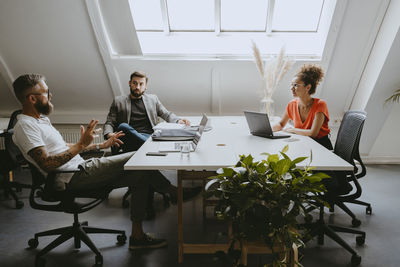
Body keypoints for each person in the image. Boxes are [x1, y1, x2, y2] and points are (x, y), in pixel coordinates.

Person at [11, 74, 201, 250]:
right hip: (70, 178)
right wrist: (81, 145)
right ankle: (174, 192)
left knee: (140, 173)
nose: (50, 95)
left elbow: (63, 147)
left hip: (78, 170)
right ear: (32, 98)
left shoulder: (41, 120)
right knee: (138, 157)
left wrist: (101, 145)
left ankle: (138, 237)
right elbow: (47, 163)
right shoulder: (26, 126)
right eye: (45, 92)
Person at [104, 71, 190, 152]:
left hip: (148, 136)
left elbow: (166, 114)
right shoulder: (118, 101)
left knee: (165, 134)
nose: (137, 87)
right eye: (134, 83)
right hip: (128, 138)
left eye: (141, 84)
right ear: (129, 83)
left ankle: (148, 144)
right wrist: (109, 134)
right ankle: (151, 145)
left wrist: (178, 120)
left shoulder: (153, 99)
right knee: (123, 127)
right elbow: (109, 122)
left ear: (146, 86)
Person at [272, 64, 333, 150]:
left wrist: (293, 130)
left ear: (308, 87)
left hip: (321, 146)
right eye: (291, 85)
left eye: (296, 85)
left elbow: (313, 133)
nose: (292, 88)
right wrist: (269, 130)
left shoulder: (320, 105)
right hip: (303, 144)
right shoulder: (292, 104)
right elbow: (281, 124)